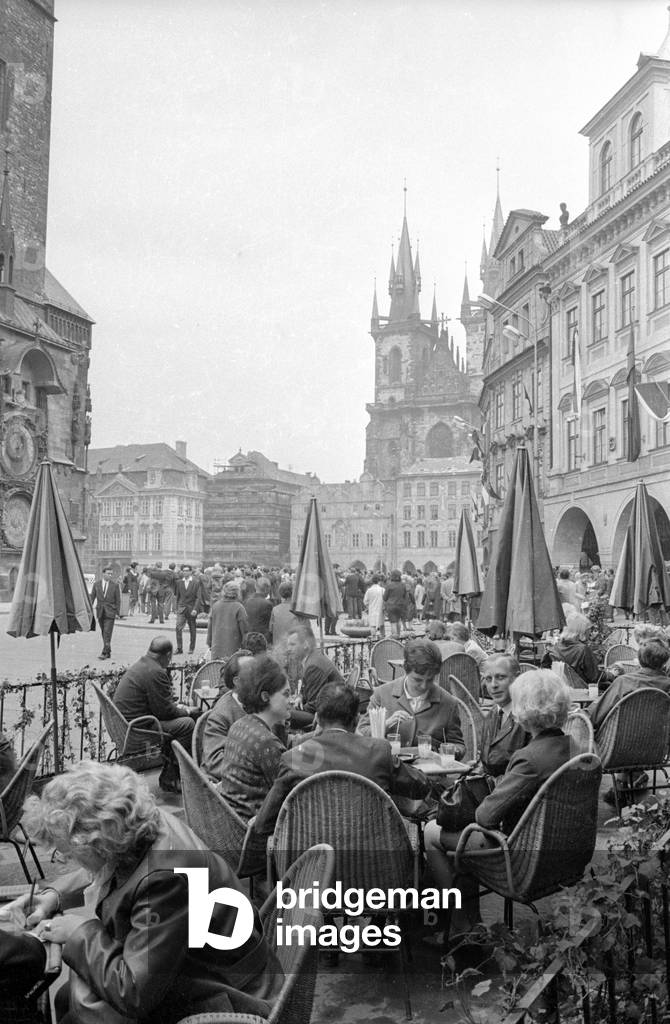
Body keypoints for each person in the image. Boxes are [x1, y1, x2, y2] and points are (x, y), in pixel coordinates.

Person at [8, 762, 282, 1023]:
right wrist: (55, 895)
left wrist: (80, 931)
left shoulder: (165, 880)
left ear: (97, 845)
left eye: (69, 854)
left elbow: (134, 994)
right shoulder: (136, 820)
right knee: (71, 999)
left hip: (229, 994)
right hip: (205, 965)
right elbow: (110, 868)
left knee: (76, 1009)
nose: (70, 860)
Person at [423, 670, 572, 935]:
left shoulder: (529, 758)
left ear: (523, 711)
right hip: (563, 856)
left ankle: (459, 923)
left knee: (432, 832)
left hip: (520, 858)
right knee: (464, 837)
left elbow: (485, 817)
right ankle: (471, 920)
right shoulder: (575, 748)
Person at [247, 682, 431, 870]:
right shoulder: (378, 751)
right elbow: (420, 786)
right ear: (356, 719)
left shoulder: (295, 758)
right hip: (375, 868)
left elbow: (263, 824)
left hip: (311, 870)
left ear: (317, 719)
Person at [113, 637, 200, 792]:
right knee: (188, 724)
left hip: (127, 725)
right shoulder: (156, 672)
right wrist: (186, 710)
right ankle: (173, 778)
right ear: (167, 655)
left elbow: (159, 706)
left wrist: (174, 707)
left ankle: (172, 775)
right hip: (138, 730)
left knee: (180, 723)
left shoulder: (142, 664)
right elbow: (165, 712)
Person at [358, 638, 464, 753]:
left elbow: (458, 745)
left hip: (428, 769)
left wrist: (450, 751)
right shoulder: (382, 694)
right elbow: (360, 733)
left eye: (430, 680)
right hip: (388, 769)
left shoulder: (448, 703)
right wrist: (385, 725)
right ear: (405, 669)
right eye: (417, 680)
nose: (423, 686)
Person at [216, 655, 289, 822]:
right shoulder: (267, 743)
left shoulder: (240, 724)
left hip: (231, 822)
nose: (290, 700)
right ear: (265, 696)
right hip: (252, 834)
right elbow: (289, 795)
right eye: (286, 694)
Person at [587, 638, 670, 733]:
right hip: (659, 742)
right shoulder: (667, 685)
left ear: (639, 659)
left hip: (617, 742)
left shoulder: (624, 682)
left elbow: (595, 717)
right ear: (664, 661)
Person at [286, 621, 344, 729]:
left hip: (331, 716)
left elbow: (313, 706)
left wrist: (294, 707)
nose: (288, 649)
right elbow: (307, 690)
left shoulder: (313, 665)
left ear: (306, 645)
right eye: (288, 645)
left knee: (284, 714)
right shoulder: (312, 658)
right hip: (328, 709)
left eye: (292, 644)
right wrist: (300, 697)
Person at [477, 656, 528, 777]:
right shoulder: (492, 713)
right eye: (488, 679)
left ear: (517, 678)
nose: (493, 685)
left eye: (501, 677)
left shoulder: (528, 718)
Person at [548, 612, 601, 685]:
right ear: (581, 631)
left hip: (560, 688)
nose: (590, 633)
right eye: (588, 630)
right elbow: (594, 677)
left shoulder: (554, 647)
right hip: (582, 690)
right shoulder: (583, 649)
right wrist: (611, 674)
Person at [207, 580, 249, 660]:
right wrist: (245, 646)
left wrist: (209, 642)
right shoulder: (239, 608)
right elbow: (245, 630)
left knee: (217, 669)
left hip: (217, 647)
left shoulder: (215, 606)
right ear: (237, 593)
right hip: (233, 649)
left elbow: (210, 626)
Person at [90, 566, 120, 661]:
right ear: (103, 574)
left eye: (111, 574)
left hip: (110, 612)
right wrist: (89, 609)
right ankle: (108, 650)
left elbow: (118, 600)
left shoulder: (114, 585)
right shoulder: (96, 584)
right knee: (104, 632)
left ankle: (104, 652)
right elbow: (92, 597)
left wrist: (118, 612)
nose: (110, 575)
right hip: (100, 612)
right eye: (108, 573)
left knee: (107, 632)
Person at [174, 563, 203, 654]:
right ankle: (179, 648)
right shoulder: (179, 582)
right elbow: (177, 596)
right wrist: (176, 607)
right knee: (178, 627)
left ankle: (191, 648)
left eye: (187, 571)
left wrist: (195, 609)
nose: (185, 572)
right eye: (184, 571)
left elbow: (198, 597)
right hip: (181, 608)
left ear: (190, 572)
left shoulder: (196, 582)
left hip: (191, 609)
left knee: (192, 628)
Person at [383, 569, 407, 637]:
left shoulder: (389, 585)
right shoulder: (403, 585)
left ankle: (394, 636)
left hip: (391, 606)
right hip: (400, 605)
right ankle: (398, 635)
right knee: (398, 620)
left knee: (393, 622)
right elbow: (405, 596)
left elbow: (385, 598)